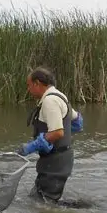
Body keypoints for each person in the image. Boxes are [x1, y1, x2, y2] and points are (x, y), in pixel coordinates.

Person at [17, 66, 84, 203]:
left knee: (43, 205)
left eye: (29, 86)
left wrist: (33, 146)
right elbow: (78, 123)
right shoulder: (60, 96)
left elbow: (58, 132)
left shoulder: (50, 101)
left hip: (55, 164)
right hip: (61, 160)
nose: (28, 90)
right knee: (38, 199)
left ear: (37, 83)